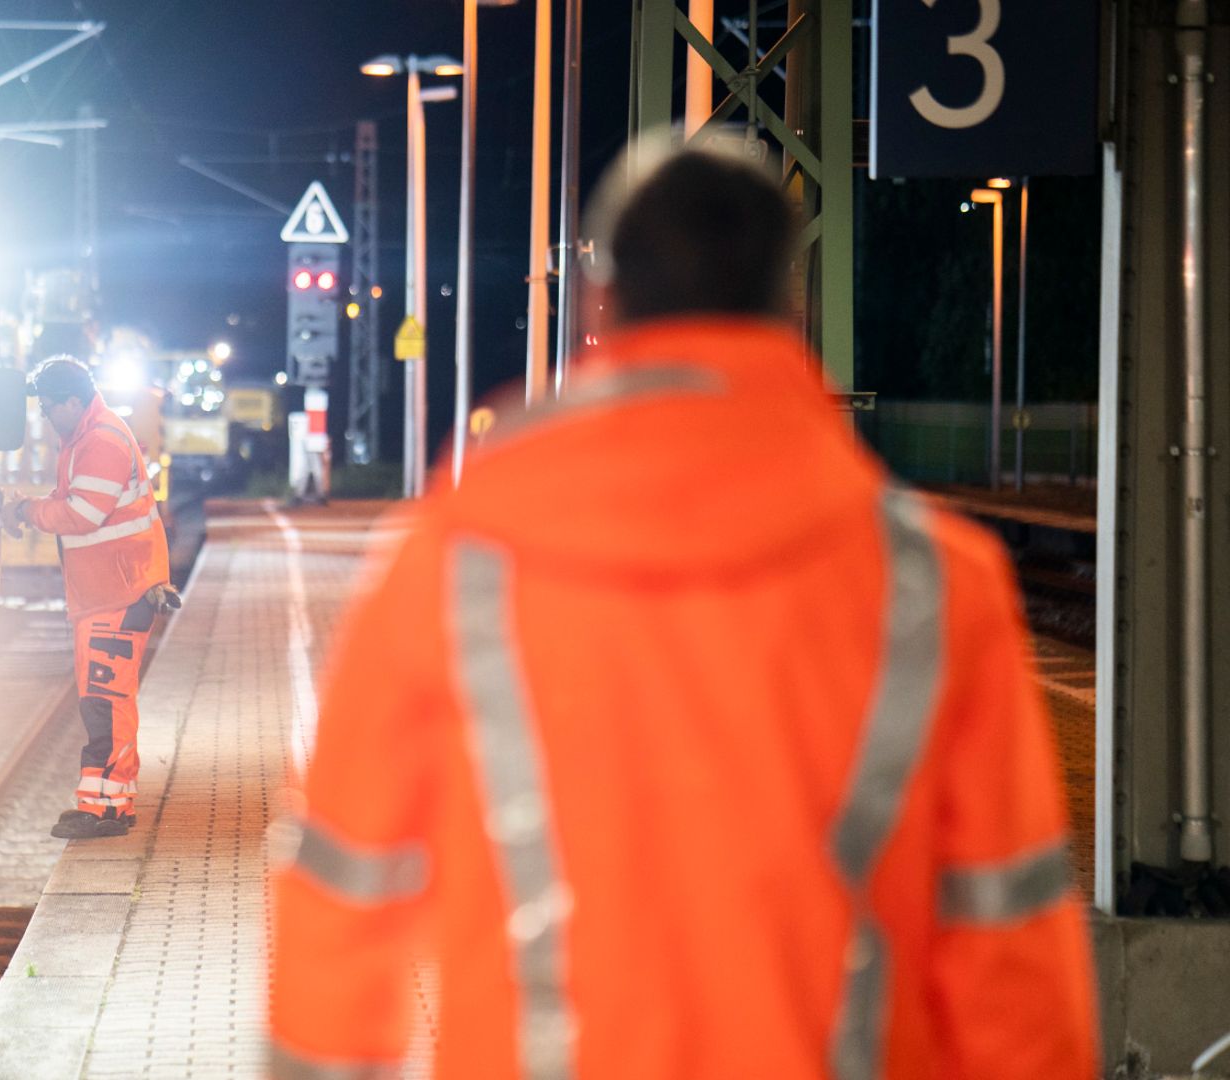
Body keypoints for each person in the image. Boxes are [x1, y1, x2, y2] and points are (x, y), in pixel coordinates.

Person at [268, 138, 1096, 1078]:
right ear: (787, 307)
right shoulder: (937, 581)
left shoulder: (453, 558)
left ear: (600, 304)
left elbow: (342, 892)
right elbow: (1007, 940)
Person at [5, 356, 174, 840]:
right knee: (103, 701)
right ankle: (109, 804)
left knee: (106, 701)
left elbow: (82, 513)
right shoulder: (86, 435)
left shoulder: (100, 440)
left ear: (72, 402)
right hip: (108, 590)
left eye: (48, 405)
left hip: (116, 593)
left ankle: (103, 808)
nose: (43, 415)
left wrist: (26, 510)